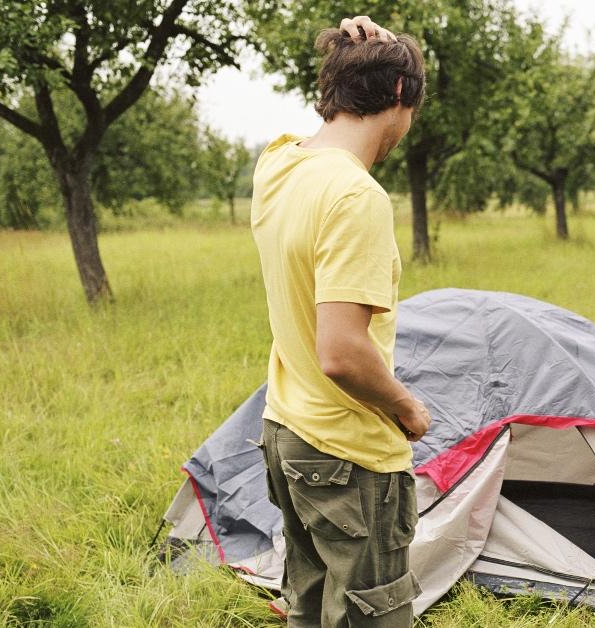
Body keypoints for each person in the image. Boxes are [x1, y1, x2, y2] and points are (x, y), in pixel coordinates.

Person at [249, 15, 432, 627]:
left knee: (307, 604)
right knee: (369, 616)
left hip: (286, 432)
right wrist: (408, 410)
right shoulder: (357, 197)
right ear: (401, 98)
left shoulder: (278, 166)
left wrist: (356, 54)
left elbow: (315, 132)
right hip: (346, 449)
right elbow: (343, 353)